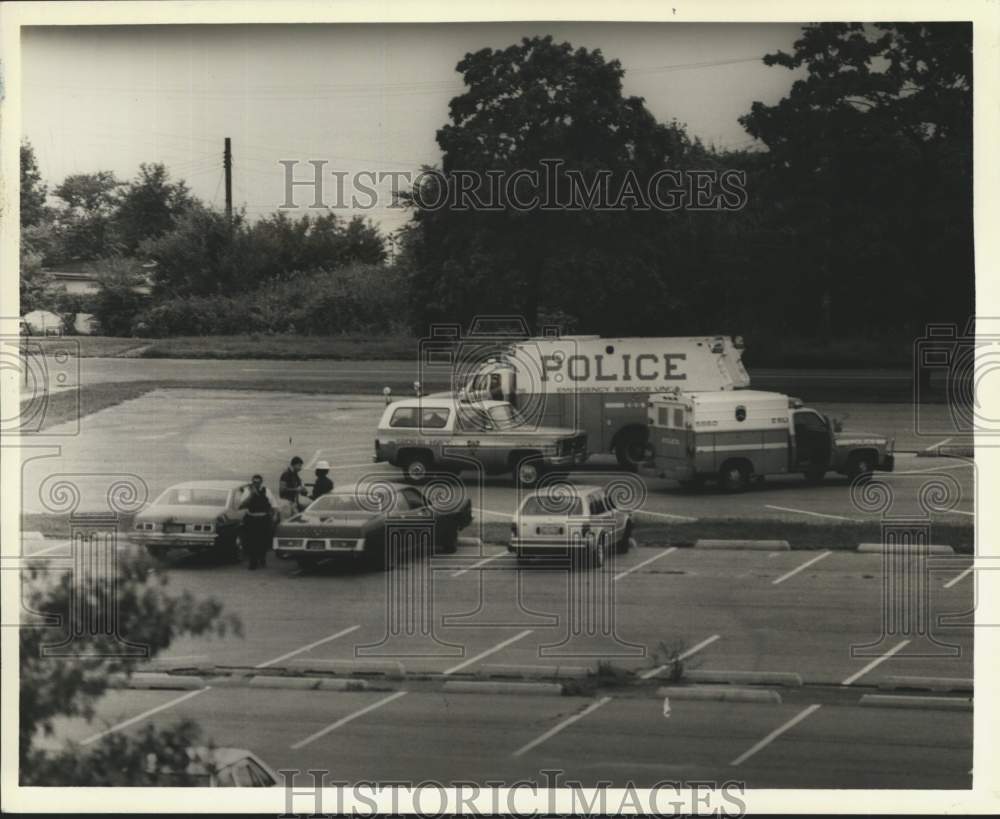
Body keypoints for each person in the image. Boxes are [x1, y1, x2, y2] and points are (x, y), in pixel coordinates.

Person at [238, 475, 278, 570]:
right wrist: (251, 495)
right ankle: (253, 562)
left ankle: (262, 558)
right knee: (251, 541)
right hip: (251, 518)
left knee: (263, 540)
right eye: (254, 482)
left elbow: (273, 504)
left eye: (258, 482)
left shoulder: (266, 491)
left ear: (261, 482)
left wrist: (275, 515)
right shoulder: (248, 491)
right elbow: (242, 505)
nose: (256, 484)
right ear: (252, 482)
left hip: (263, 518)